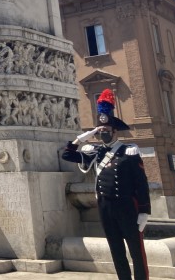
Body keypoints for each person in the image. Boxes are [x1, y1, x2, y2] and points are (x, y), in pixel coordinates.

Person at [61, 89, 150, 280]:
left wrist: (144, 211)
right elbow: (67, 155)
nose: (103, 134)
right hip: (105, 207)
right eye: (100, 131)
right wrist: (82, 138)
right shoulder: (97, 152)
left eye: (106, 131)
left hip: (127, 207)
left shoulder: (129, 151)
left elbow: (141, 183)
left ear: (115, 131)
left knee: (136, 251)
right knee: (116, 250)